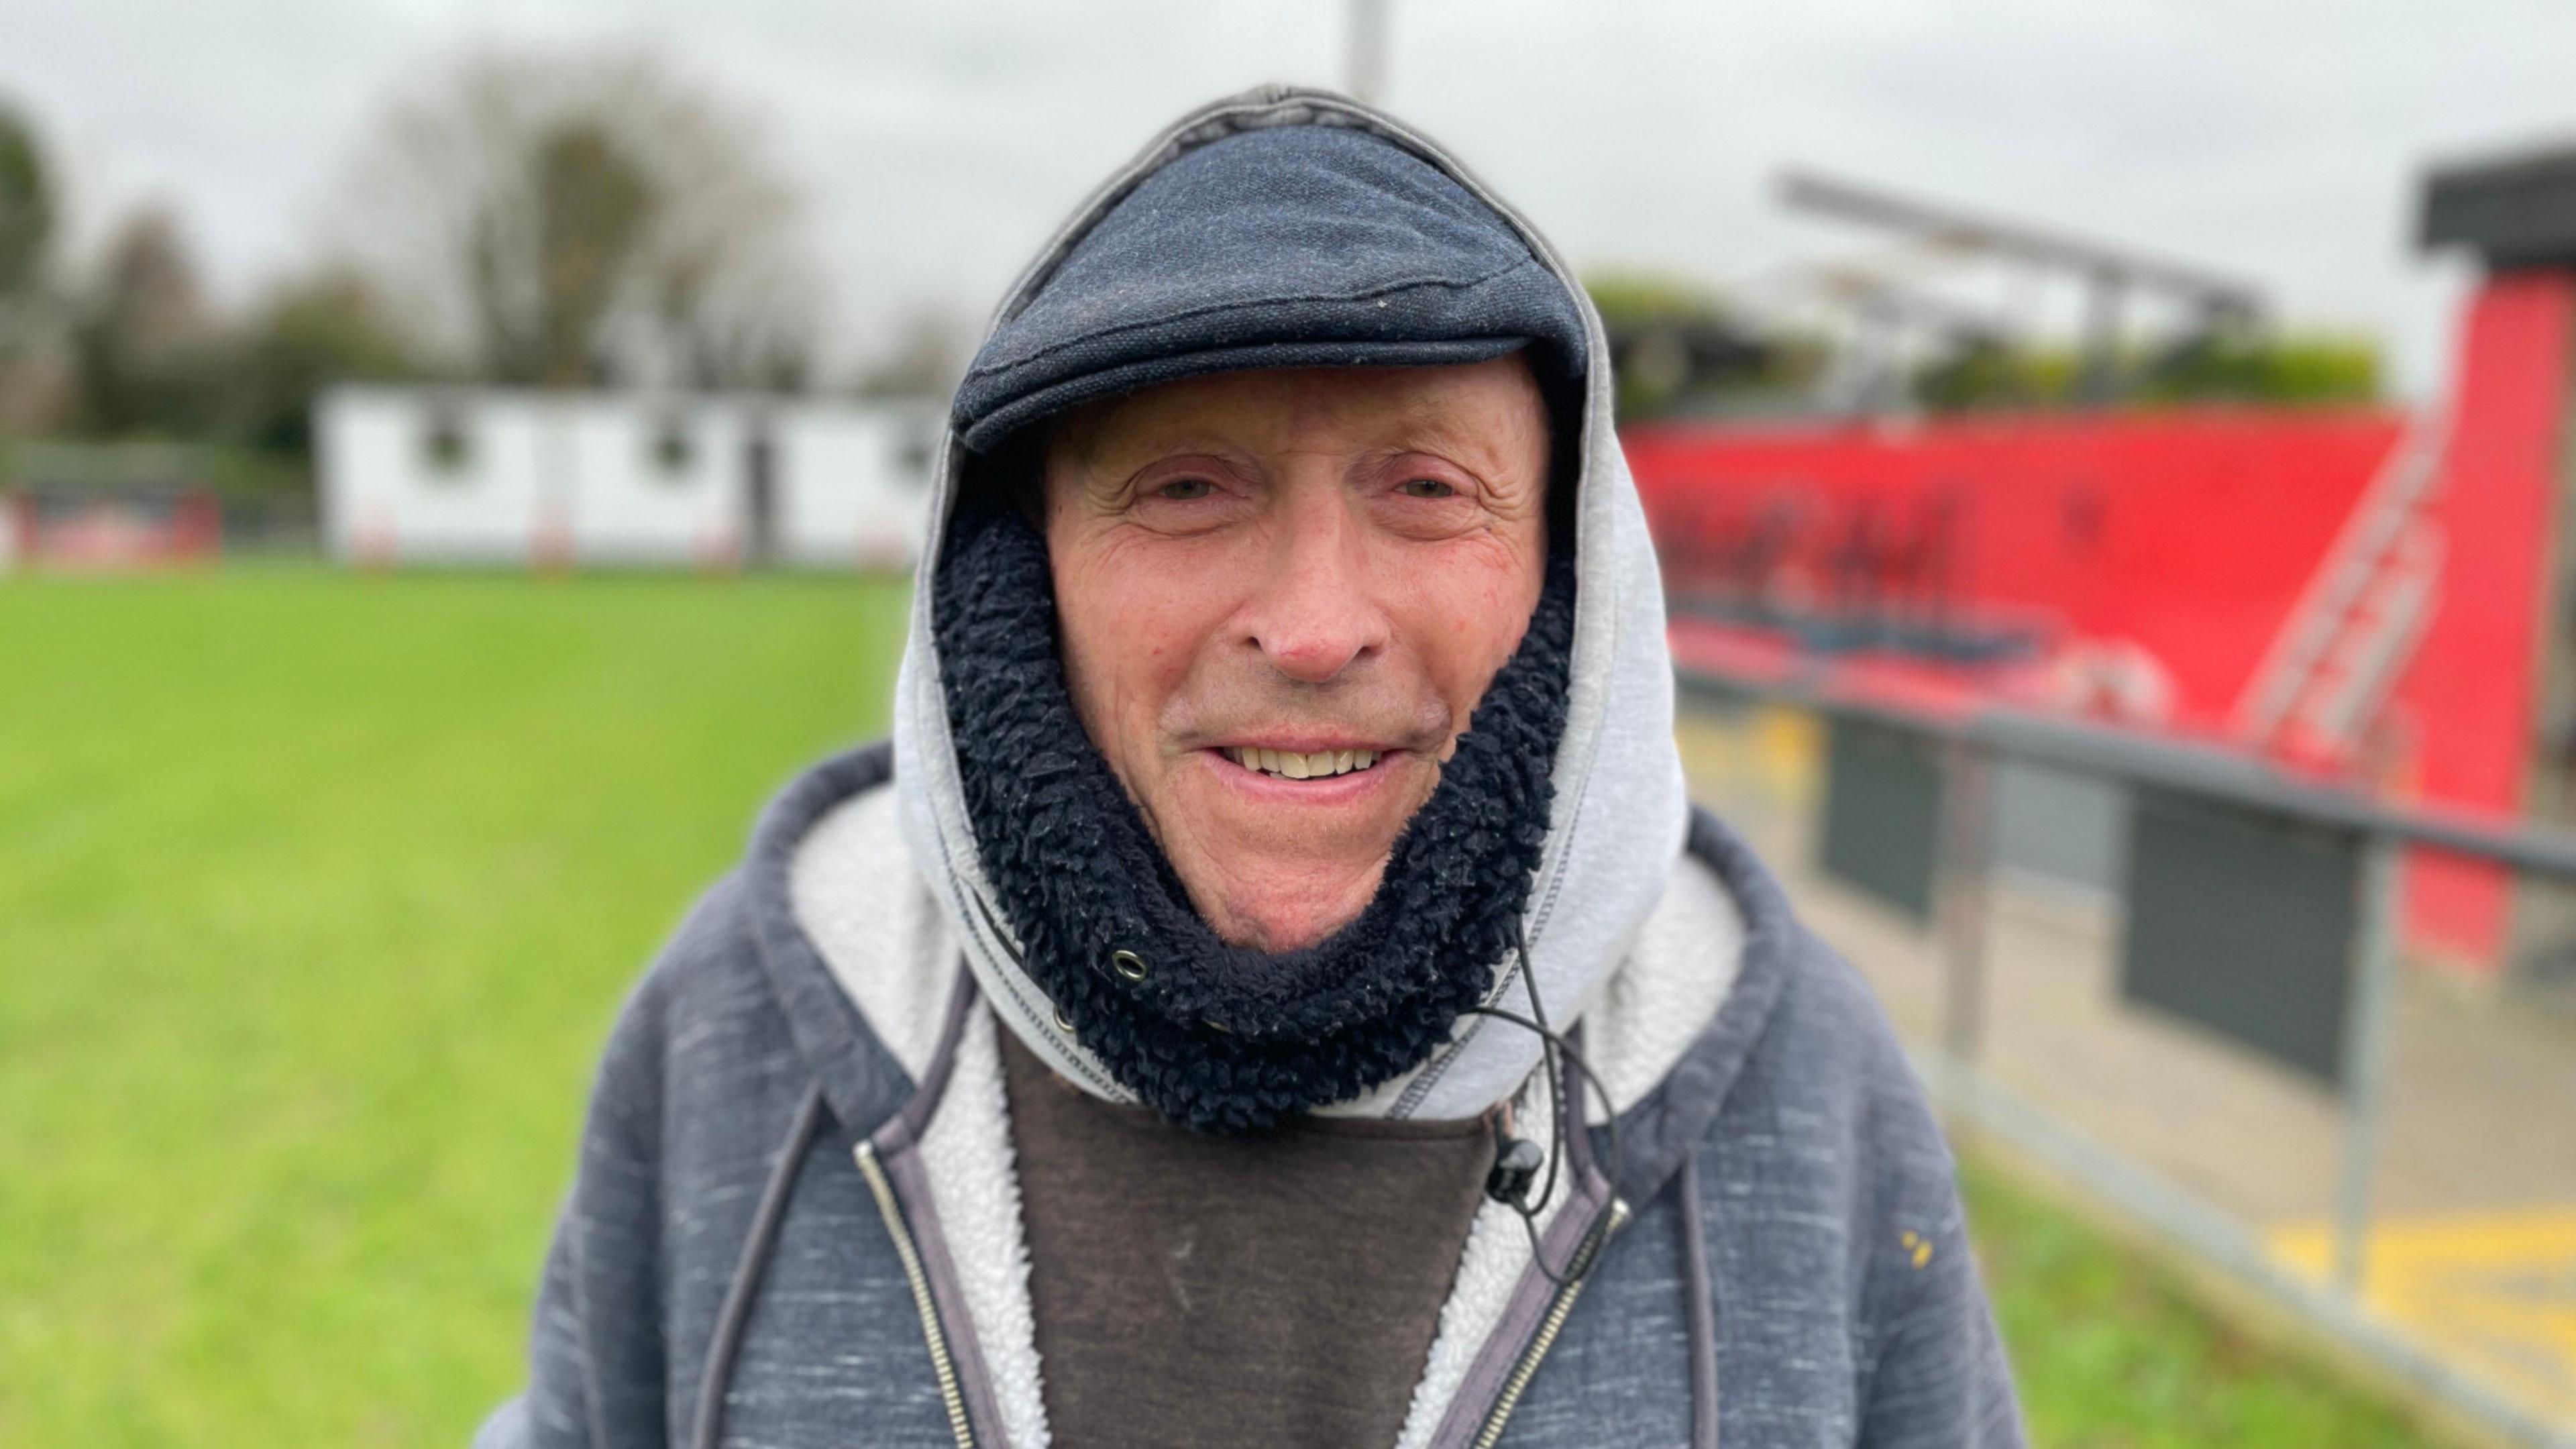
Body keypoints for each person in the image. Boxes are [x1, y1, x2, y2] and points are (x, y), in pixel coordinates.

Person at [476, 87, 2022, 1449]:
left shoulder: (1796, 1073)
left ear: (1565, 568)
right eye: (1187, 488)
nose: (1311, 625)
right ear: (1025, 575)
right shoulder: (746, 1018)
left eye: (1425, 488)